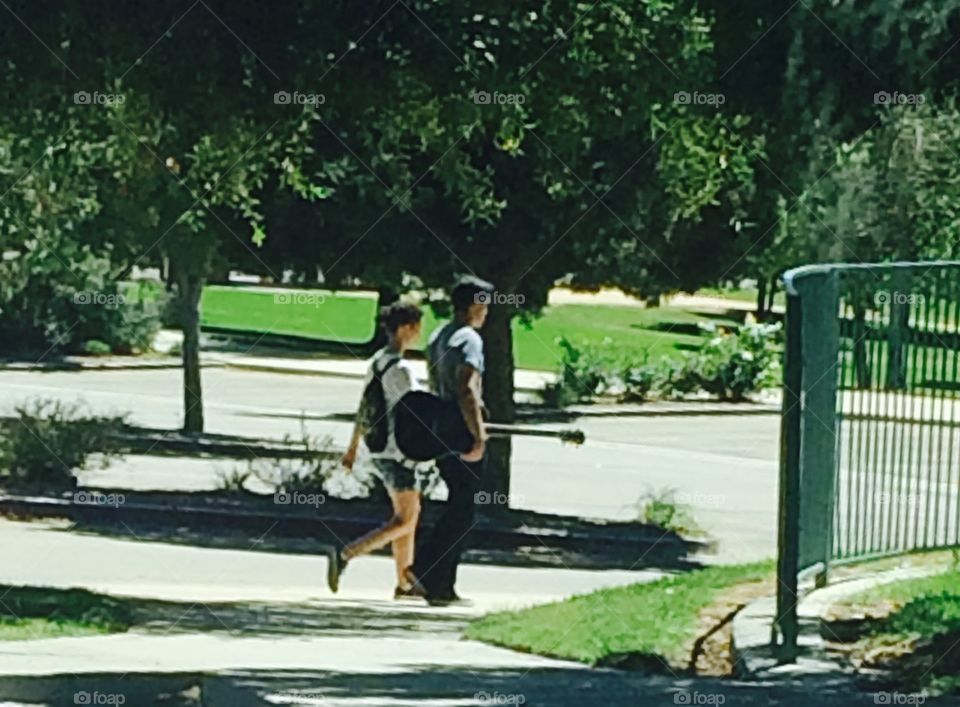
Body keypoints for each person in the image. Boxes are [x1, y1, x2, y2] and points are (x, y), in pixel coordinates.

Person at [327, 301, 427, 599]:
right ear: (406, 328)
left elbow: (364, 406)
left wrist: (353, 446)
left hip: (378, 447)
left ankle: (405, 582)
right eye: (416, 327)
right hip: (400, 451)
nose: (418, 333)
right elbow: (416, 410)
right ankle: (347, 553)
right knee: (406, 520)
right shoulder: (401, 370)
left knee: (405, 518)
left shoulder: (377, 362)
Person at [407, 275, 494, 606]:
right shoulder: (470, 339)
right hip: (460, 429)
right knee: (464, 508)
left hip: (439, 426)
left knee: (458, 503)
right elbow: (466, 388)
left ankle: (434, 578)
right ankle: (433, 574)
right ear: (475, 305)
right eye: (484, 305)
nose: (487, 313)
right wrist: (478, 434)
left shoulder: (440, 335)